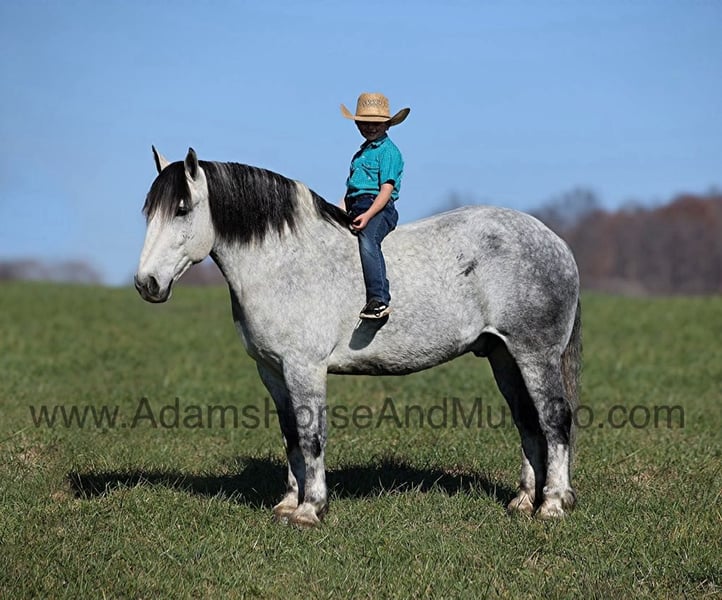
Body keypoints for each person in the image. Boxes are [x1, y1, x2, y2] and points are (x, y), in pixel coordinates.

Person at [341, 92, 410, 319]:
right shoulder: (360, 155)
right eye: (365, 122)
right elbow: (350, 192)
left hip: (379, 207)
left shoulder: (389, 152)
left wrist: (369, 215)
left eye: (376, 123)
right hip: (355, 206)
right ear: (357, 125)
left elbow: (386, 190)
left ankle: (379, 300)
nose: (370, 127)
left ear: (387, 125)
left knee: (368, 239)